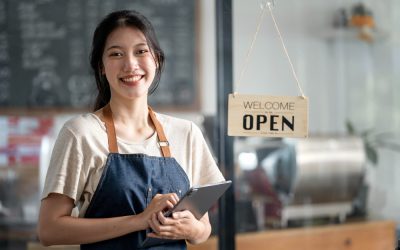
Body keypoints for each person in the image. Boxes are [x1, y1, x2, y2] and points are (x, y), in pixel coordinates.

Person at [37, 9, 225, 249]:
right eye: (116, 54)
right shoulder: (81, 133)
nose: (130, 64)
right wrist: (139, 221)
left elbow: (202, 230)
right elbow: (49, 230)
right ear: (102, 67)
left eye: (141, 51)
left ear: (156, 59)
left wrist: (193, 229)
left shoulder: (187, 133)